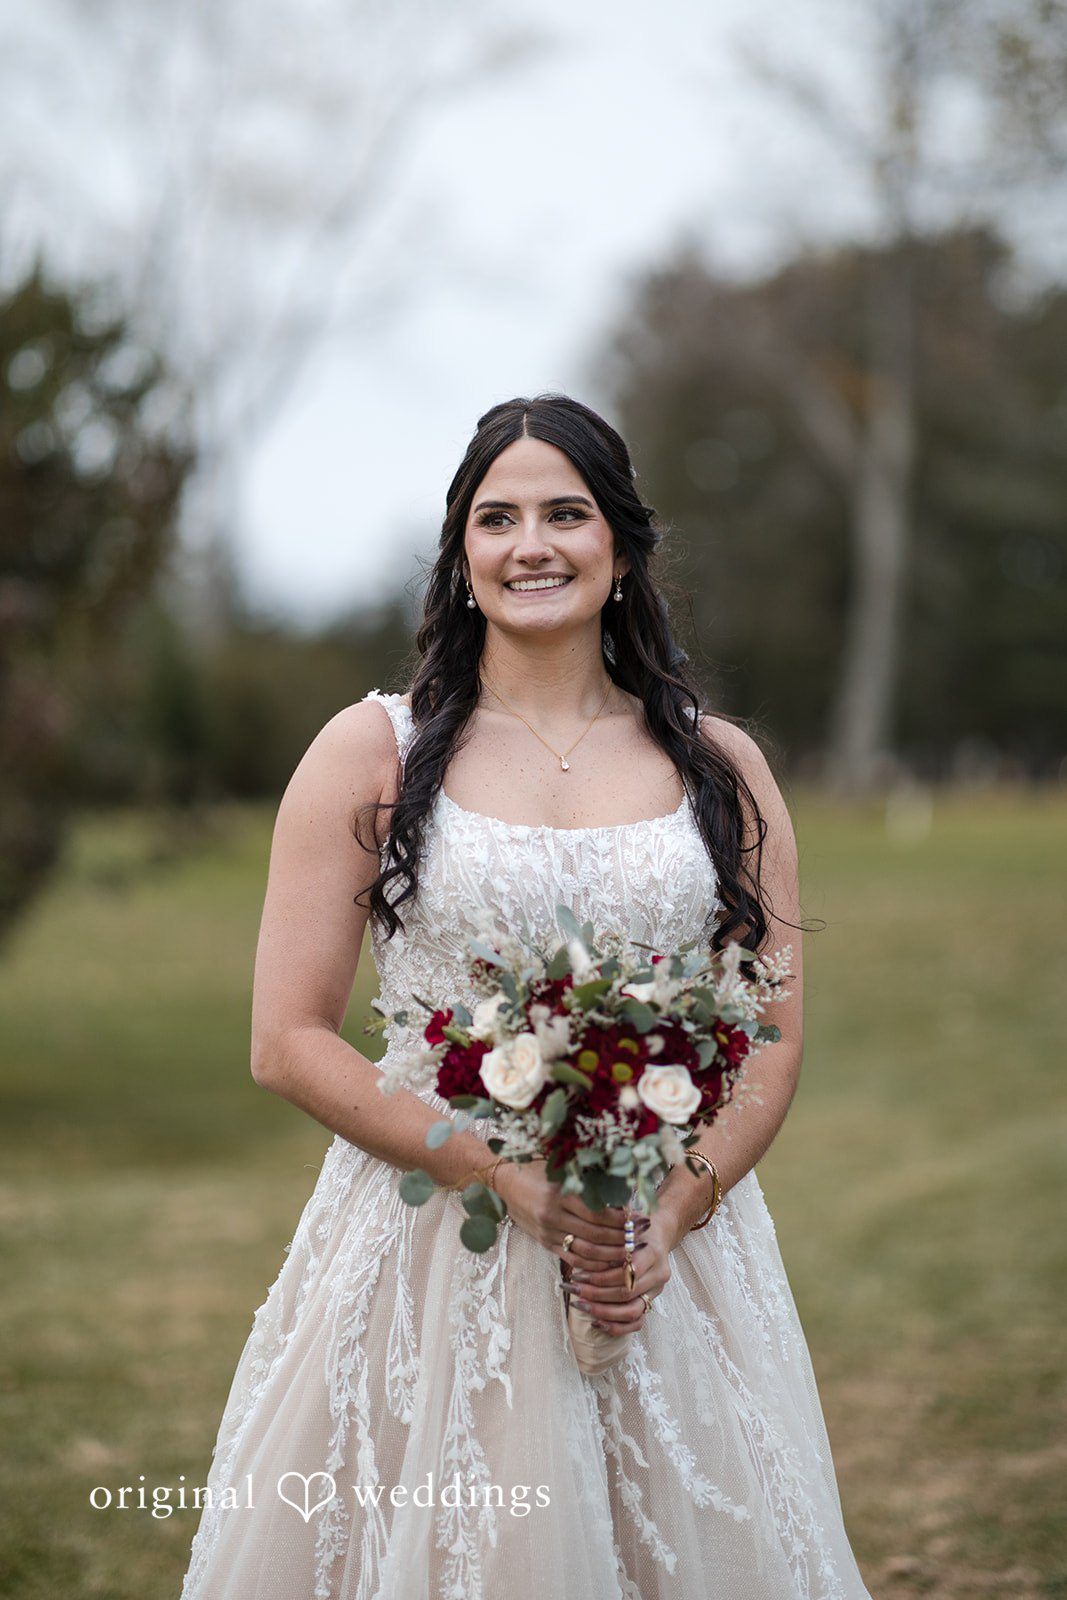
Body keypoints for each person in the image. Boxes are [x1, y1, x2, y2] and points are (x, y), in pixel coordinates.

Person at [180, 393, 875, 1599]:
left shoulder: (721, 765)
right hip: (434, 1236)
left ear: (620, 545)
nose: (530, 544)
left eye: (566, 512)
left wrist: (669, 1212)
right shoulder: (375, 750)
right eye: (495, 519)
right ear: (460, 556)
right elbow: (287, 1041)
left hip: (660, 1252)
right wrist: (503, 1176)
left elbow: (768, 1037)